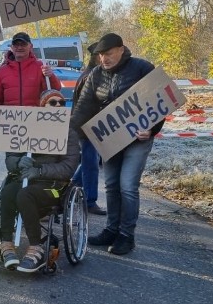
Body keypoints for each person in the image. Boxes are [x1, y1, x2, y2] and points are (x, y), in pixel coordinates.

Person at [70, 33, 163, 255]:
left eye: (109, 54)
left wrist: (152, 129)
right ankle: (111, 230)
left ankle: (126, 236)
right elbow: (83, 106)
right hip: (110, 139)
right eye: (101, 55)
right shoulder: (95, 75)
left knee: (128, 187)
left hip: (137, 139)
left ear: (121, 49)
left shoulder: (142, 68)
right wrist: (69, 133)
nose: (104, 59)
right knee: (111, 186)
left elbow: (161, 100)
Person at [0, 90, 80, 272]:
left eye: (61, 103)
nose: (58, 106)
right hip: (26, 179)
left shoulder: (69, 133)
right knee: (9, 191)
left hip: (54, 187)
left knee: (25, 195)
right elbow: (10, 155)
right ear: (42, 106)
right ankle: (6, 242)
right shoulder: (28, 126)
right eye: (53, 103)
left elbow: (69, 167)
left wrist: (40, 170)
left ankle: (36, 246)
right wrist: (18, 162)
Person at [0, 32, 60, 130]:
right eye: (16, 44)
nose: (19, 47)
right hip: (9, 126)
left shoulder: (40, 66)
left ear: (30, 46)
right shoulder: (2, 70)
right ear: (12, 47)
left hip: (35, 124)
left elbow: (55, 91)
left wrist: (51, 76)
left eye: (23, 44)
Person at [69, 42, 106, 216]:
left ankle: (71, 186)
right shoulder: (91, 76)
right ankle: (90, 201)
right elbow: (87, 106)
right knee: (91, 164)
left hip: (89, 126)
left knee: (88, 162)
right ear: (97, 57)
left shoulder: (91, 74)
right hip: (88, 127)